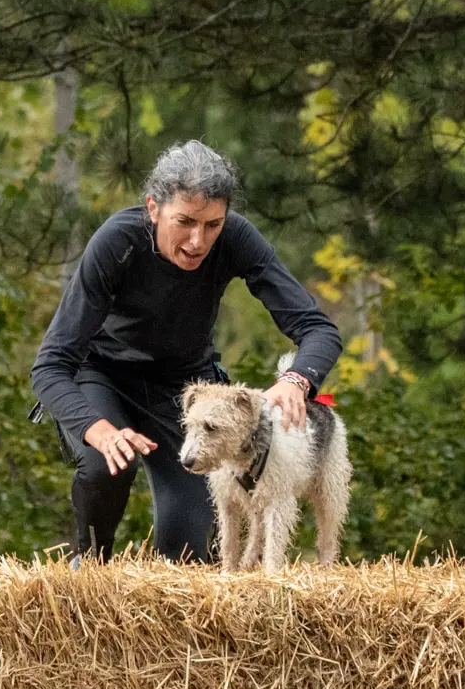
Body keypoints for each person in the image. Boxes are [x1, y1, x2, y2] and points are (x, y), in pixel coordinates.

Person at [31, 140, 343, 562]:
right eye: (185, 221)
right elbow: (50, 365)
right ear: (153, 208)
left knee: (188, 559)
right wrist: (98, 429)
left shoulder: (236, 238)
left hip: (185, 388)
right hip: (102, 375)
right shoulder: (116, 243)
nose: (198, 241)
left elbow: (317, 328)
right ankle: (87, 567)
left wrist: (296, 378)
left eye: (213, 224)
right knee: (107, 465)